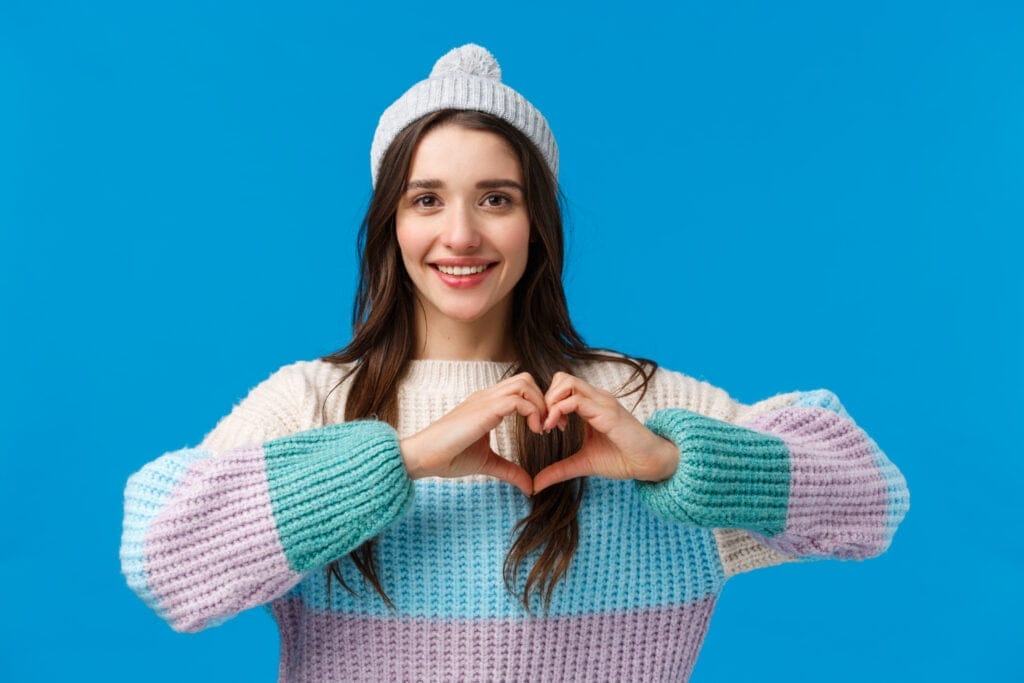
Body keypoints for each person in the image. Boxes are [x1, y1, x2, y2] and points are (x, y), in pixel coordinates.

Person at [120, 44, 910, 681]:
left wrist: (675, 459)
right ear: (389, 222)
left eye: (495, 198)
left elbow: (871, 497)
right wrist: (399, 457)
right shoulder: (317, 402)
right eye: (426, 199)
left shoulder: (633, 401)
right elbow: (161, 558)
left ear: (537, 222)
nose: (460, 235)